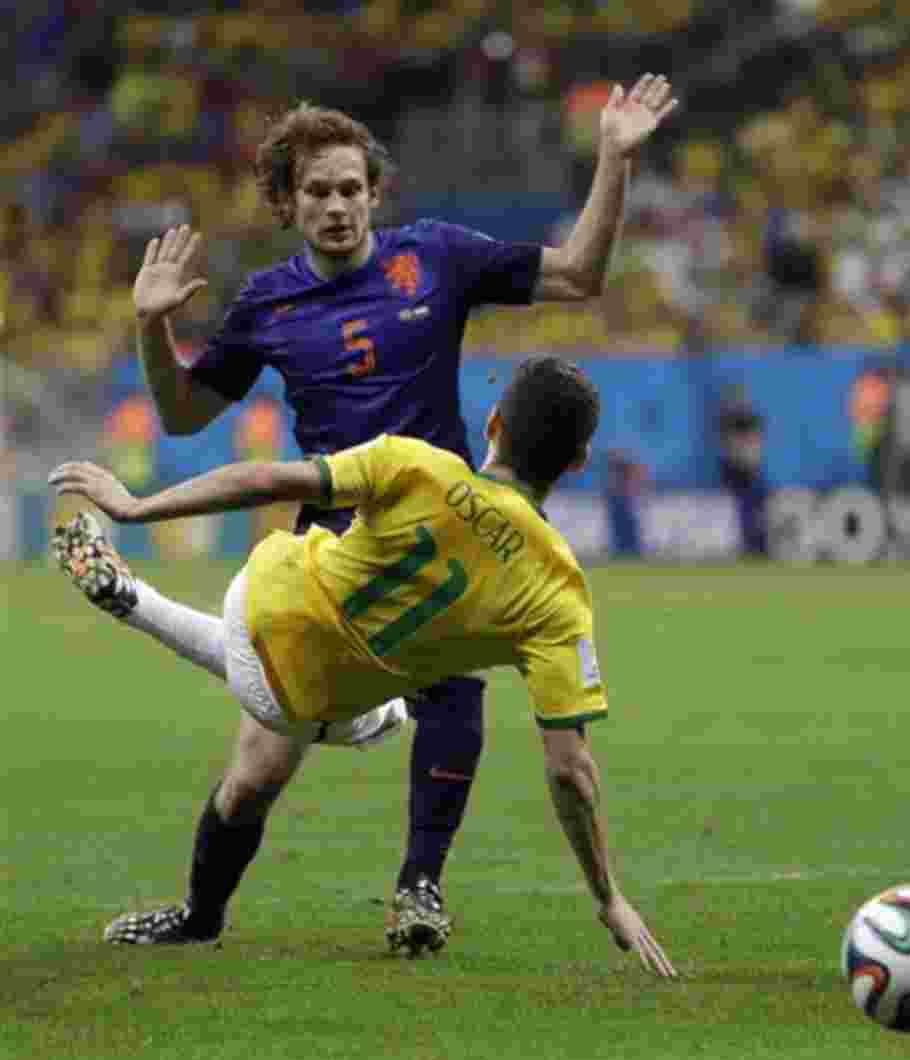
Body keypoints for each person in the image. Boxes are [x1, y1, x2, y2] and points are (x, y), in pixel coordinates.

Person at [122, 73, 677, 955]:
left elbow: (579, 273)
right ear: (287, 202)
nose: (337, 206)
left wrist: (613, 158)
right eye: (317, 192)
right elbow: (185, 413)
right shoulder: (267, 303)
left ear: (376, 192)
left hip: (442, 527)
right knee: (257, 772)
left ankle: (421, 887)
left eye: (351, 189)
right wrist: (153, 331)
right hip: (330, 546)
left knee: (456, 685)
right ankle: (201, 915)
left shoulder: (437, 257)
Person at [50, 356, 677, 979]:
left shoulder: (415, 462)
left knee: (293, 668)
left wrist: (136, 509)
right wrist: (607, 896)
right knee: (390, 717)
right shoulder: (559, 593)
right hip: (305, 703)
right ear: (577, 463)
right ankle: (417, 876)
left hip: (256, 600)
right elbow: (572, 771)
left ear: (493, 425)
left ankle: (137, 603)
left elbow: (267, 480)